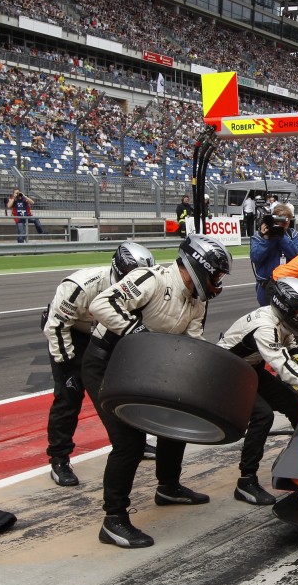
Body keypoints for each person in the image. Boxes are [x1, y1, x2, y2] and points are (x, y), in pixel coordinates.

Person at [82, 234, 233, 548]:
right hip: (105, 362)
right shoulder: (150, 279)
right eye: (216, 274)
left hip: (147, 365)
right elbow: (101, 303)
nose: (218, 281)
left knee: (176, 417)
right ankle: (113, 520)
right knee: (129, 442)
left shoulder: (197, 302)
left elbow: (191, 343)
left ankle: (168, 486)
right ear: (199, 266)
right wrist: (137, 334)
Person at [42, 242, 155, 486]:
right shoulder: (80, 286)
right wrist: (67, 366)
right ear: (119, 269)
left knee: (124, 389)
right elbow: (56, 326)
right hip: (69, 333)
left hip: (105, 333)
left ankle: (135, 440)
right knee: (69, 393)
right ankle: (59, 459)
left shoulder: (143, 286)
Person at [217, 278, 298, 506]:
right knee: (263, 416)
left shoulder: (278, 319)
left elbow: (290, 344)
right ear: (284, 307)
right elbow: (282, 366)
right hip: (225, 372)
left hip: (250, 368)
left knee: (296, 405)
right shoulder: (264, 326)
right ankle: (246, 480)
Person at [250, 202, 298, 306]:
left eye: (285, 221)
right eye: (279, 221)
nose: (282, 224)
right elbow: (255, 257)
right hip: (265, 285)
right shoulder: (259, 236)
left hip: (288, 286)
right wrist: (266, 239)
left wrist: (282, 236)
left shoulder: (292, 235)